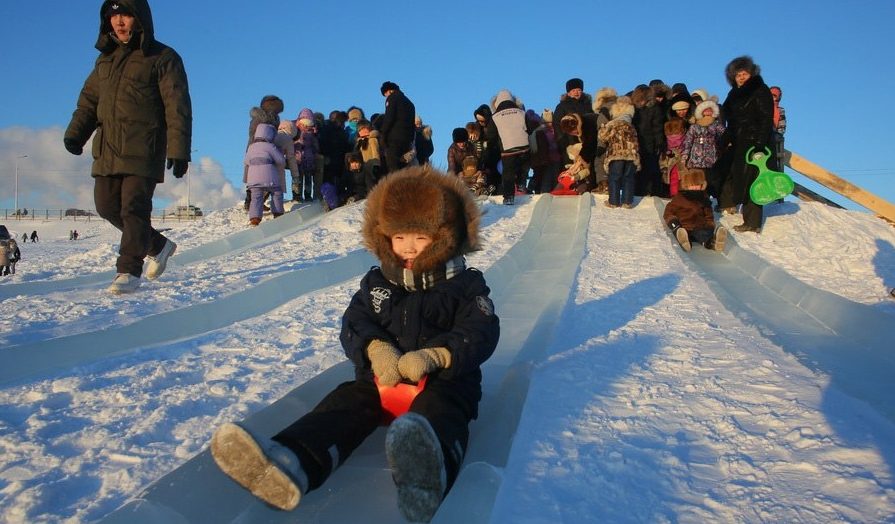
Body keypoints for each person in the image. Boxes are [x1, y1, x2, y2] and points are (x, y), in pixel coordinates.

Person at [209, 166, 500, 523]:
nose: (408, 247)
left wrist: (437, 355)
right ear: (384, 238)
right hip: (383, 379)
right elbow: (354, 322)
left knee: (441, 410)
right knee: (345, 403)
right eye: (399, 238)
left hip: (443, 380)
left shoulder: (466, 286)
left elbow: (482, 329)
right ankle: (290, 462)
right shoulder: (377, 282)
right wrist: (375, 348)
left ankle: (427, 475)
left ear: (446, 237)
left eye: (420, 238)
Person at [64, 0, 191, 294]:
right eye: (113, 15)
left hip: (145, 146)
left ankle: (128, 271)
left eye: (126, 15)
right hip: (107, 147)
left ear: (140, 18)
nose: (119, 21)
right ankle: (158, 245)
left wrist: (179, 149)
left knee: (133, 207)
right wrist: (76, 134)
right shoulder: (104, 61)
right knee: (107, 206)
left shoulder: (162, 57)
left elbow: (177, 106)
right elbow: (88, 103)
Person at [719, 55, 775, 233]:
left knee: (753, 180)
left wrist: (760, 143)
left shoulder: (759, 89)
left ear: (751, 73)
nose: (741, 77)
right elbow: (727, 116)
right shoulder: (733, 93)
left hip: (754, 142)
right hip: (737, 141)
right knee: (733, 175)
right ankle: (730, 206)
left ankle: (753, 222)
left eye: (744, 73)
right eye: (737, 75)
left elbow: (766, 118)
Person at [664, 169, 727, 252]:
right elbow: (668, 212)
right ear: (686, 185)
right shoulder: (680, 197)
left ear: (702, 185)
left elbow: (708, 213)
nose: (695, 187)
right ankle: (684, 241)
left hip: (699, 227)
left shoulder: (704, 198)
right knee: (682, 232)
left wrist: (710, 225)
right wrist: (674, 223)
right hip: (684, 226)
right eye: (692, 185)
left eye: (697, 185)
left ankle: (713, 243)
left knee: (703, 234)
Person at [598, 96, 641, 208]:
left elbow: (603, 137)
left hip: (616, 155)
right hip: (631, 155)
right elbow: (636, 141)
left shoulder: (613, 124)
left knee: (614, 177)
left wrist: (603, 127)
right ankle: (627, 202)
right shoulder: (631, 126)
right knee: (628, 178)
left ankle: (614, 201)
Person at [490, 90, 530, 205]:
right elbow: (529, 127)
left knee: (508, 173)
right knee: (524, 164)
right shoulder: (521, 112)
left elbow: (491, 135)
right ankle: (522, 183)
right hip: (524, 145)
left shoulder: (495, 116)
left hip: (508, 148)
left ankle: (508, 197)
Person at [681, 100, 726, 200]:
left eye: (710, 110)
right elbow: (687, 142)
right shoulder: (694, 126)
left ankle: (716, 200)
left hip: (712, 159)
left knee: (713, 182)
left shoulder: (716, 125)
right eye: (705, 110)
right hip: (696, 160)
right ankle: (698, 200)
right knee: (698, 182)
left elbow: (726, 135)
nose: (707, 112)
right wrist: (684, 156)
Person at [244, 124, 286, 226]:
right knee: (276, 192)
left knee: (256, 197)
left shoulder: (251, 147)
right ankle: (278, 213)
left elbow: (246, 161)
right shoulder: (270, 146)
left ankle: (255, 219)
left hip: (253, 178)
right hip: (269, 175)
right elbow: (280, 160)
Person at [379, 81, 417, 174]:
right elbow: (412, 124)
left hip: (394, 139)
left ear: (389, 91)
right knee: (403, 167)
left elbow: (389, 118)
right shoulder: (410, 103)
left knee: (393, 167)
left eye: (386, 94)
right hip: (406, 140)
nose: (386, 96)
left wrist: (383, 134)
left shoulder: (392, 99)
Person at [553, 78, 594, 142]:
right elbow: (557, 125)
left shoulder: (589, 105)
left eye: (579, 90)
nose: (576, 93)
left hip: (589, 140)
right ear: (568, 93)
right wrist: (562, 143)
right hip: (571, 142)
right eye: (573, 90)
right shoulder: (562, 106)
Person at [770, 86, 787, 170]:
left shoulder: (780, 110)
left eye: (774, 95)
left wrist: (776, 134)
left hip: (774, 135)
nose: (772, 98)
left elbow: (782, 127)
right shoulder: (761, 107)